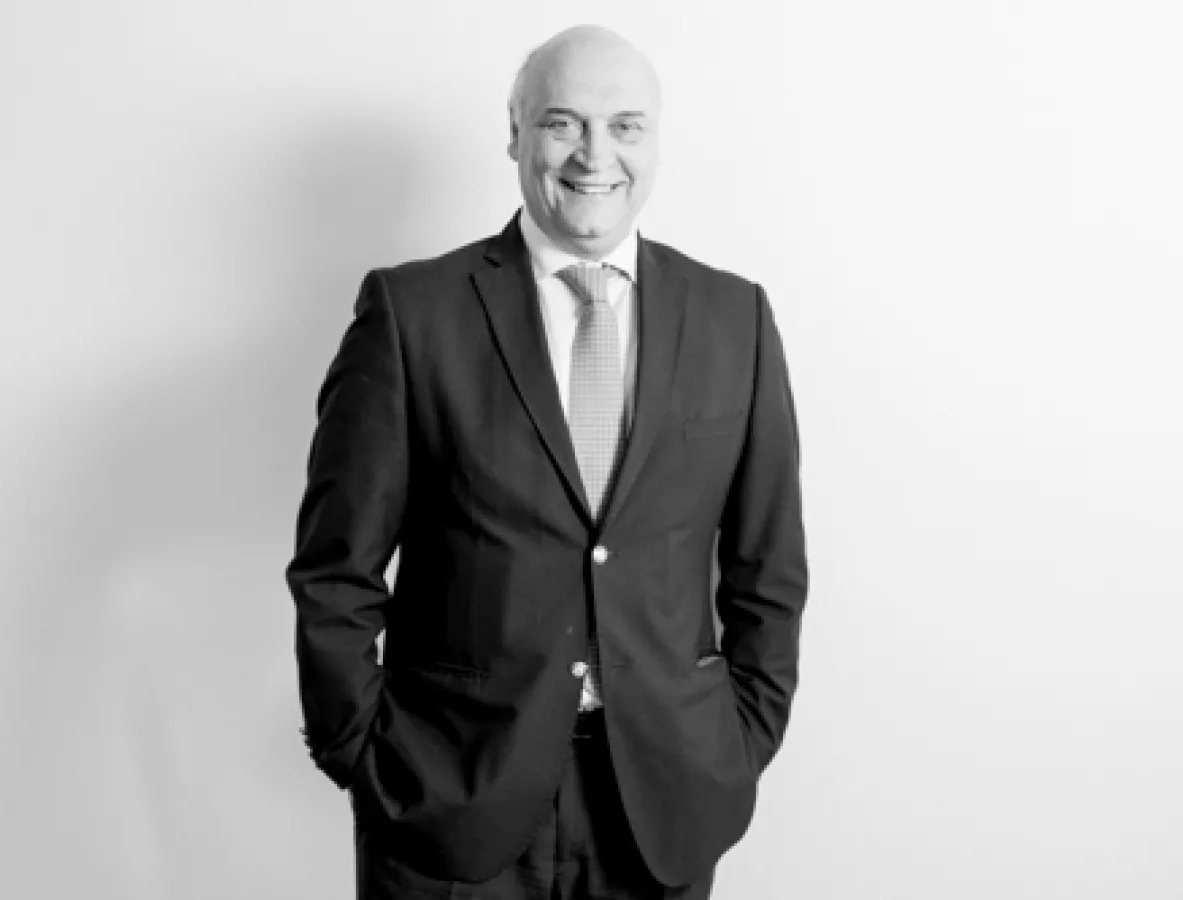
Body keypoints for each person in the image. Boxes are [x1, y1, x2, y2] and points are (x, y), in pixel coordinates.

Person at [286, 24, 808, 900]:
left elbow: (770, 571)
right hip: (450, 801)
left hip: (664, 799)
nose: (594, 155)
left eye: (625, 126)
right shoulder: (412, 316)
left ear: (656, 140)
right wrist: (363, 754)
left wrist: (739, 741)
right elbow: (336, 571)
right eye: (564, 123)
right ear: (516, 132)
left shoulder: (736, 320)